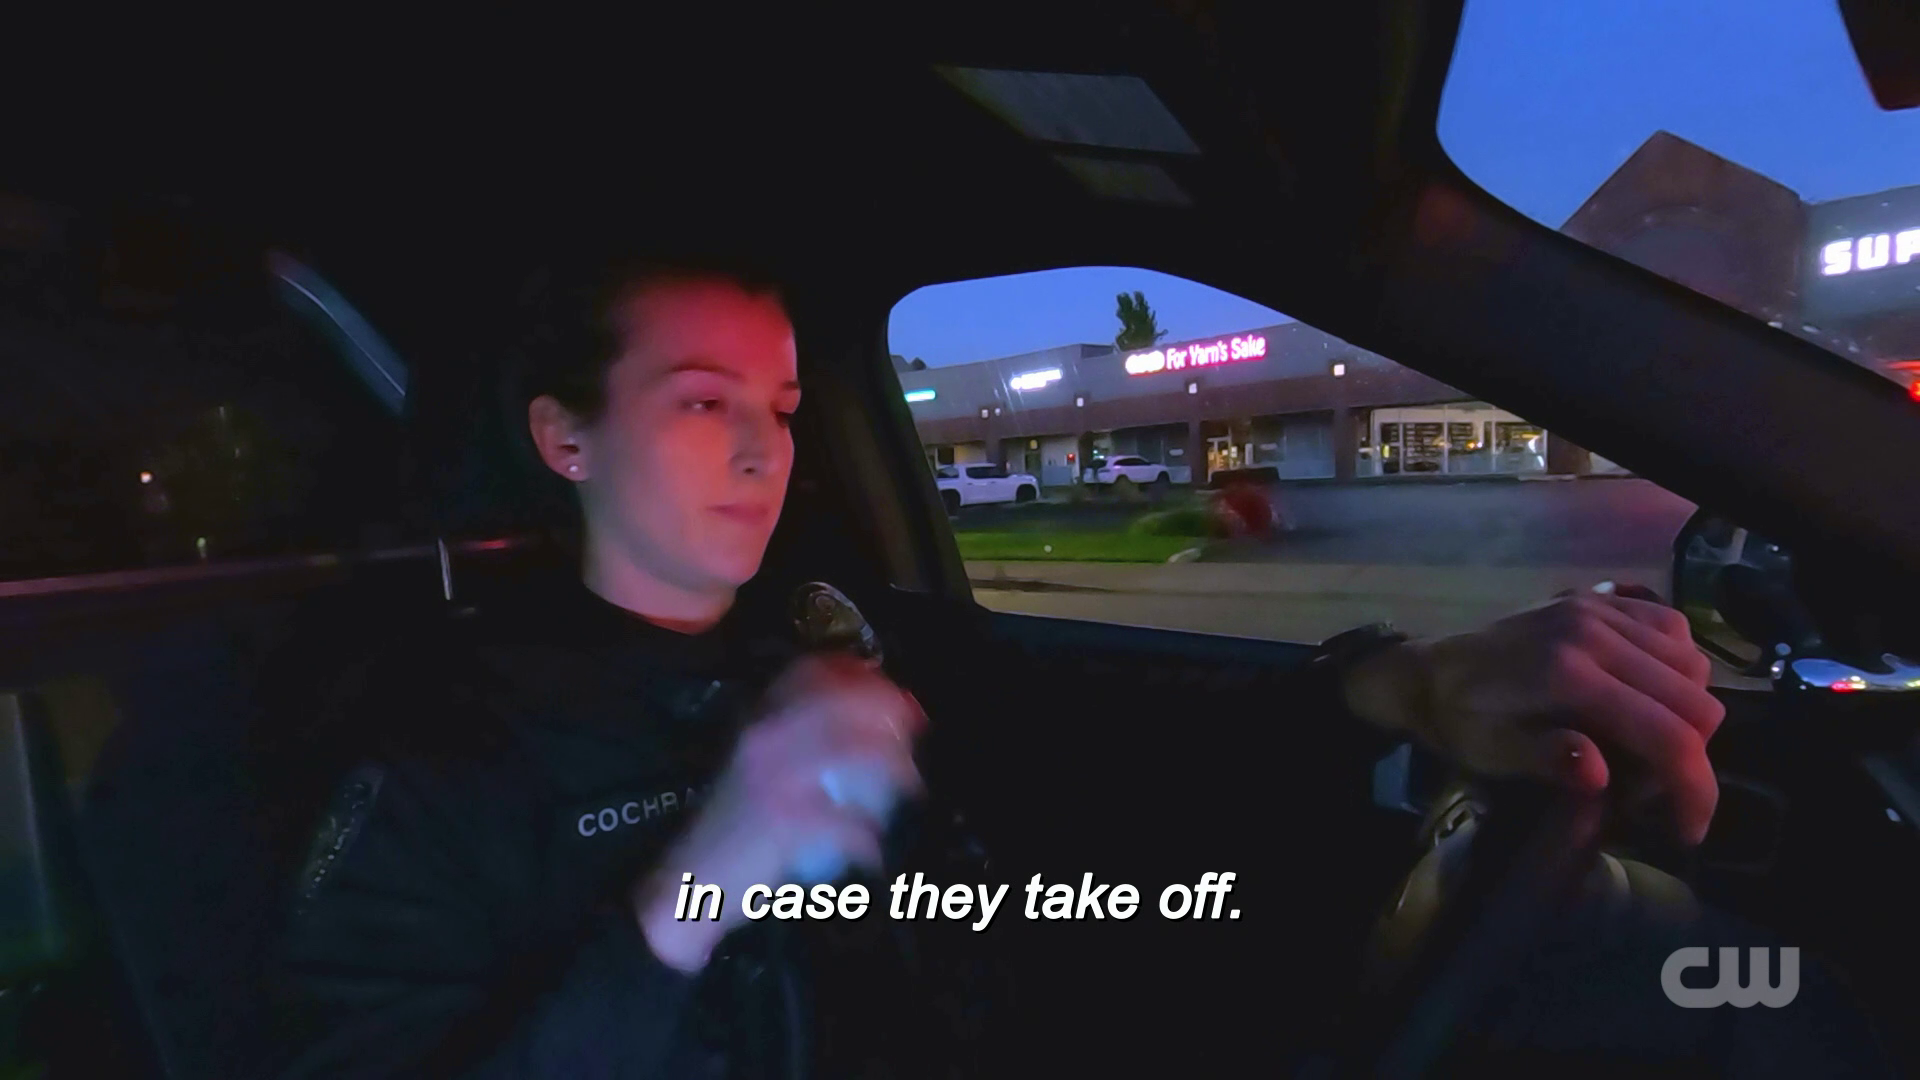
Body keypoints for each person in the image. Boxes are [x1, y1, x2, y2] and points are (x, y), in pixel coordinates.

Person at [263, 257, 1725, 1077]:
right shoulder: (440, 750)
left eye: (784, 406)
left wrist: (1393, 688)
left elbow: (1100, 751)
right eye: (705, 403)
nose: (768, 450)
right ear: (566, 439)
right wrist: (702, 884)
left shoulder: (840, 644)